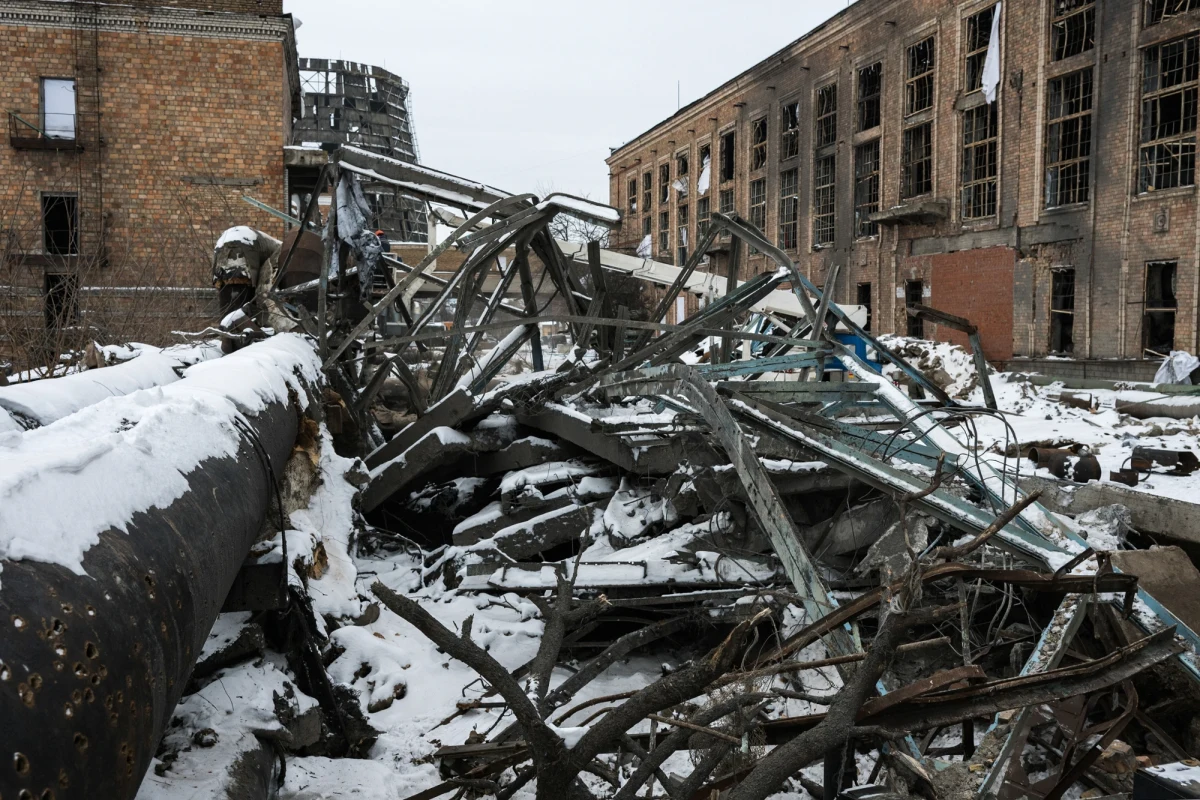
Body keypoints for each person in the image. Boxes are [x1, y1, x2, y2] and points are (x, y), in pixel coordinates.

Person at [211, 226, 282, 319]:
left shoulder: (267, 244)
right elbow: (269, 277)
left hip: (223, 250)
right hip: (246, 256)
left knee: (228, 308)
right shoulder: (279, 249)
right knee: (245, 308)